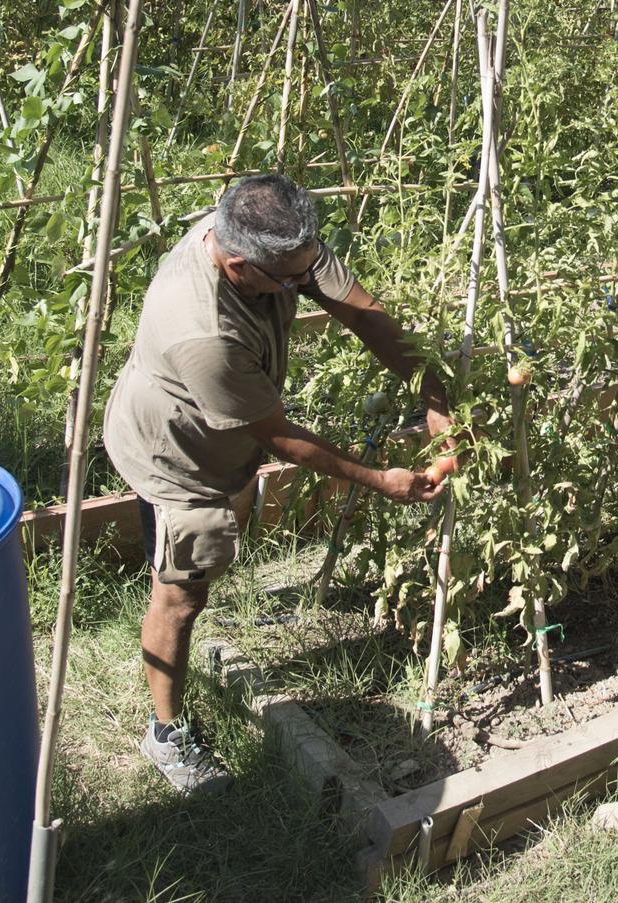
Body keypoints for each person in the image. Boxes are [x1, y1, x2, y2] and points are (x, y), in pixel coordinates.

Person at [103, 174, 452, 791]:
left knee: (210, 560)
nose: (304, 285)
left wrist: (432, 394)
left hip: (225, 431)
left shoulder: (280, 245)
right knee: (181, 592)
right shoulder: (202, 331)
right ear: (238, 265)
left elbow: (363, 315)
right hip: (177, 455)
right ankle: (166, 733)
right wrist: (380, 480)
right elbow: (279, 436)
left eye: (307, 268)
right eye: (290, 281)